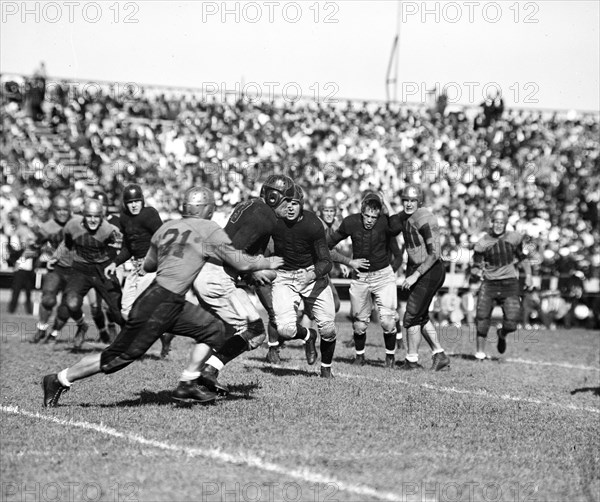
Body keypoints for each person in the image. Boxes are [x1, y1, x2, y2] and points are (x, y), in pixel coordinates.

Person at [42, 186, 284, 408]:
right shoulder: (208, 229)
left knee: (215, 331)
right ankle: (59, 379)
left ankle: (188, 382)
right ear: (208, 209)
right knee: (118, 357)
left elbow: (148, 265)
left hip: (169, 299)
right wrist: (265, 262)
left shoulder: (167, 227)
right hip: (160, 303)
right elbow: (238, 260)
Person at [194, 175, 294, 394]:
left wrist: (251, 272)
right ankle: (199, 376)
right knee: (255, 332)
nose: (290, 206)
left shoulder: (253, 207)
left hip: (215, 273)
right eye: (287, 200)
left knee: (231, 331)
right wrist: (255, 270)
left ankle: (204, 375)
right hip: (218, 275)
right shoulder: (265, 217)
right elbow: (231, 252)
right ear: (274, 197)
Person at [266, 184, 337, 378]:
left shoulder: (313, 223)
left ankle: (326, 369)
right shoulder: (274, 221)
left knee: (328, 328)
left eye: (294, 203)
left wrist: (311, 275)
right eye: (286, 202)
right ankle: (308, 336)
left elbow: (326, 261)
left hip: (311, 274)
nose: (290, 207)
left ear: (301, 204)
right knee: (285, 329)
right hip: (285, 276)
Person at [327, 193, 400, 368]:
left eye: (373, 217)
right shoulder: (351, 222)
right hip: (360, 277)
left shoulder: (384, 221)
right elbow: (327, 244)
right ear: (361, 212)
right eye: (367, 216)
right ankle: (360, 356)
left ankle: (390, 357)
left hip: (383, 275)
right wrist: (348, 261)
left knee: (388, 321)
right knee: (359, 324)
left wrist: (388, 208)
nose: (369, 220)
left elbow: (396, 228)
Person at [103, 184, 173, 356]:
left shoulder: (149, 214)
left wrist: (150, 263)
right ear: (125, 204)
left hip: (152, 266)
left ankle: (135, 347)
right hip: (136, 267)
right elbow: (128, 247)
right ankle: (164, 333)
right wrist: (115, 262)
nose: (134, 205)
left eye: (136, 201)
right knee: (126, 311)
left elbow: (162, 241)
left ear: (142, 201)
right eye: (130, 202)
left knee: (139, 311)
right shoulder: (124, 218)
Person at [390, 185, 450, 371]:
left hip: (429, 269)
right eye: (406, 200)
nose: (408, 204)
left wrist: (415, 275)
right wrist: (385, 204)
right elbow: (392, 225)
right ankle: (439, 355)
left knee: (411, 317)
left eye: (412, 201)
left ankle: (412, 361)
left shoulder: (426, 217)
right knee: (420, 315)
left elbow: (435, 253)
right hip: (420, 269)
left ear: (419, 201)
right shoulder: (406, 216)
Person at [59, 198, 124, 350]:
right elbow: (68, 244)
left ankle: (129, 342)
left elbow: (123, 247)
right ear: (83, 215)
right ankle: (82, 326)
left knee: (118, 311)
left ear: (102, 216)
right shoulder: (72, 225)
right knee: (71, 302)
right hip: (81, 268)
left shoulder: (110, 230)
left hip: (104, 268)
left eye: (96, 216)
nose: (93, 220)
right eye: (89, 216)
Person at [471, 207, 532, 360]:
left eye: (501, 222)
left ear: (506, 223)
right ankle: (479, 353)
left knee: (512, 322)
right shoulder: (483, 242)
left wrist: (529, 276)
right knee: (482, 317)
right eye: (496, 222)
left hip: (509, 283)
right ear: (491, 223)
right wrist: (476, 271)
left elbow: (523, 259)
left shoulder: (515, 238)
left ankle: (502, 334)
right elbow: (476, 263)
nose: (498, 225)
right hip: (490, 283)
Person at [32, 195, 73, 342]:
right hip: (55, 267)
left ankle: (54, 333)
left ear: (70, 209)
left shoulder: (78, 223)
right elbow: (35, 245)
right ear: (53, 210)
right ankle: (41, 329)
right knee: (48, 299)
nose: (62, 212)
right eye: (58, 209)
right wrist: (27, 258)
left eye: (65, 209)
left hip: (75, 269)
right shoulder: (47, 227)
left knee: (69, 304)